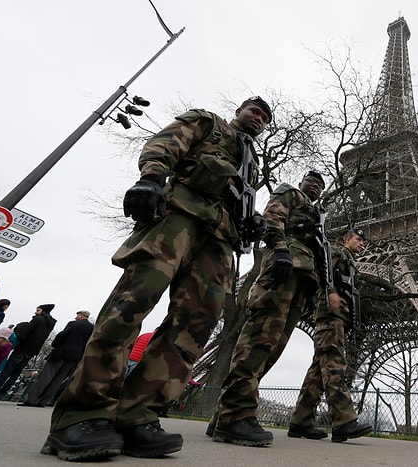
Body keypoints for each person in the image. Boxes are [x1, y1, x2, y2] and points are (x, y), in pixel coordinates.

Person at [40, 96, 272, 462]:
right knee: (133, 303)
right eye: (254, 111)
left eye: (264, 118)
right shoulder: (210, 122)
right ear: (239, 111)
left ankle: (138, 414)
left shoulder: (252, 163)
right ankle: (84, 413)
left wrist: (253, 219)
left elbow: (239, 196)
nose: (258, 119)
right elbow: (168, 142)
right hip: (179, 213)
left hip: (220, 239)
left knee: (195, 325)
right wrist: (151, 177)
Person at [210, 170, 329, 447]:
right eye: (311, 181)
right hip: (282, 269)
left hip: (302, 280)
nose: (315, 187)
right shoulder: (291, 192)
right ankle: (234, 416)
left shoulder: (316, 216)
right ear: (302, 183)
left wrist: (315, 288)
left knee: (274, 348)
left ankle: (226, 411)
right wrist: (280, 248)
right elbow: (273, 216)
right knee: (259, 339)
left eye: (320, 185)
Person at [288, 227, 373, 443]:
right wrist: (331, 292)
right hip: (330, 314)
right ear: (347, 239)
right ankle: (343, 420)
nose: (362, 243)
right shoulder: (336, 253)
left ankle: (301, 420)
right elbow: (320, 272)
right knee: (334, 363)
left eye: (364, 241)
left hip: (338, 317)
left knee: (318, 369)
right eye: (358, 239)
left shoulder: (351, 263)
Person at [21, 310, 94, 407]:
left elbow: (63, 335)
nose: (76, 317)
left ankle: (32, 399)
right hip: (75, 357)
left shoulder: (73, 324)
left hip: (61, 353)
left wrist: (55, 344)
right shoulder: (91, 328)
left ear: (81, 315)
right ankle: (44, 401)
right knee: (58, 380)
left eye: (77, 315)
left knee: (46, 376)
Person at [0, 304, 57, 402]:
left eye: (38, 310)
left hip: (23, 348)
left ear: (43, 311)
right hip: (33, 350)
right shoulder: (51, 323)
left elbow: (27, 331)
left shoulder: (37, 319)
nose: (35, 312)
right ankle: (1, 394)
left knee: (7, 371)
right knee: (15, 373)